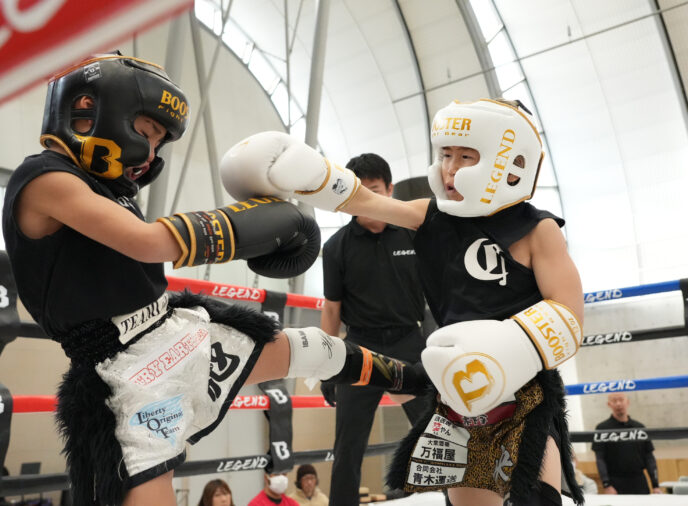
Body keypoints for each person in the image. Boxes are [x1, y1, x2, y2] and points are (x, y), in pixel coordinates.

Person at [1, 52, 428, 506]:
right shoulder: (44, 177)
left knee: (314, 348)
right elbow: (147, 243)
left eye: (159, 141)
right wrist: (251, 222)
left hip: (170, 330)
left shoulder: (105, 190)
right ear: (90, 110)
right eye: (147, 132)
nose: (150, 152)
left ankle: (419, 381)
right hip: (123, 376)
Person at [219, 98, 587, 506]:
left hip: (525, 395)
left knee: (535, 499)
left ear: (508, 162)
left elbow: (570, 317)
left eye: (466, 157)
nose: (450, 169)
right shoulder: (431, 216)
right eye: (446, 155)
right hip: (458, 392)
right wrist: (312, 176)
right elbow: (367, 203)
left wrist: (503, 347)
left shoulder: (538, 230)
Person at [319, 153, 429, 505]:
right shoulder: (336, 247)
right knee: (348, 446)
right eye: (359, 191)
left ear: (390, 190)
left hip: (410, 342)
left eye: (374, 190)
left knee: (439, 434)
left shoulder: (413, 233)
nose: (366, 199)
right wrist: (327, 366)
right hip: (360, 348)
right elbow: (332, 308)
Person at [591, 393, 661, 494]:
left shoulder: (639, 427)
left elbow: (649, 457)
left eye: (621, 400)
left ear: (627, 402)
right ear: (609, 404)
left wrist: (655, 485)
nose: (618, 404)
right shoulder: (602, 428)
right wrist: (606, 484)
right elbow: (600, 459)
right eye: (614, 401)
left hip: (639, 481)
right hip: (615, 482)